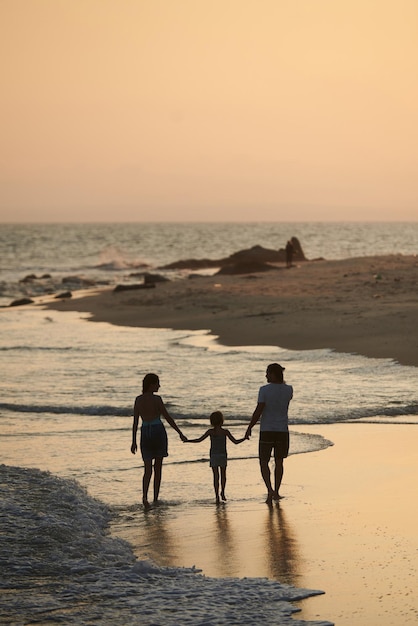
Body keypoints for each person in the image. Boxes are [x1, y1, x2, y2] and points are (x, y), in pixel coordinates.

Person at [131, 373, 187, 509]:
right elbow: (167, 417)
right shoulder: (157, 399)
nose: (159, 386)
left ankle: (145, 496)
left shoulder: (138, 400)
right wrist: (180, 433)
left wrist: (133, 441)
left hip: (145, 432)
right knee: (158, 468)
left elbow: (135, 422)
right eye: (157, 383)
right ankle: (155, 498)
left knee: (147, 469)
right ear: (151, 385)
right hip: (158, 431)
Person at [245, 363, 293, 504]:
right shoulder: (289, 389)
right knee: (279, 462)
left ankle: (269, 490)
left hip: (267, 430)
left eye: (268, 373)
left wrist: (249, 427)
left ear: (273, 374)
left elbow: (259, 410)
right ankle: (276, 492)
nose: (266, 375)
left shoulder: (264, 390)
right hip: (282, 430)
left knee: (263, 461)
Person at [186, 411, 247, 504]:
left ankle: (216, 496)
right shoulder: (225, 432)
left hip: (214, 456)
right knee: (223, 475)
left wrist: (188, 441)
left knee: (215, 476)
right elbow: (235, 442)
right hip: (223, 455)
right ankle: (223, 492)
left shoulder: (210, 432)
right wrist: (245, 438)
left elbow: (199, 440)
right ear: (222, 420)